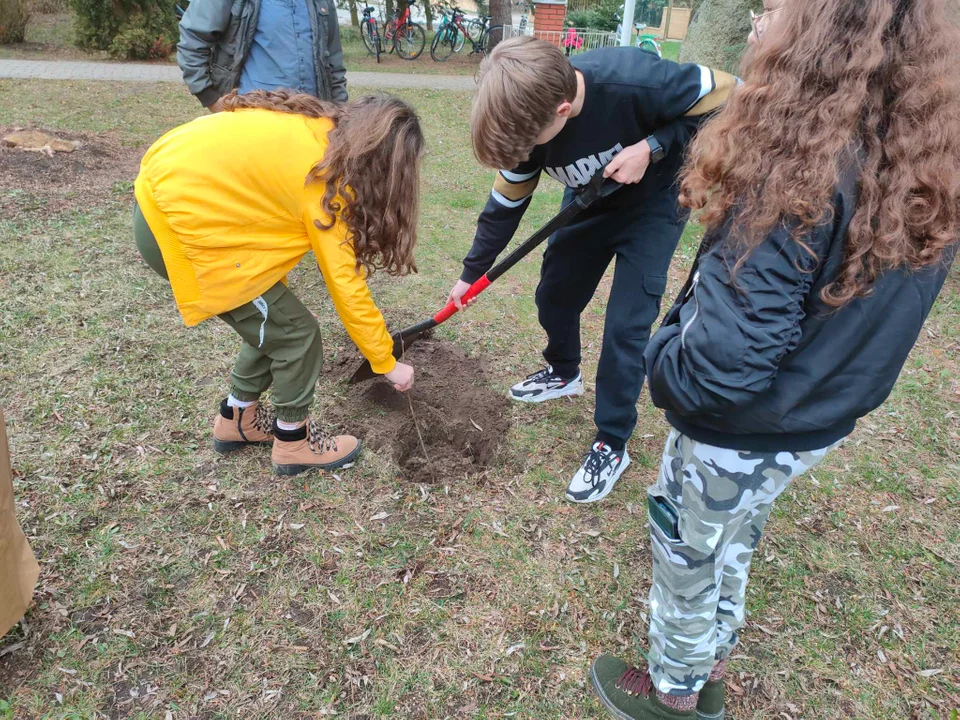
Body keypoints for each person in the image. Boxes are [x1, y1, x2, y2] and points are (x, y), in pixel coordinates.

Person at [588, 0, 960, 717]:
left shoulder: (795, 166)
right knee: (735, 528)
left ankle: (676, 692)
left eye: (779, 6)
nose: (761, 16)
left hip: (739, 427)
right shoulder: (922, 156)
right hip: (815, 422)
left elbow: (721, 369)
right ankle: (719, 640)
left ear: (822, 35)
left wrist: (660, 356)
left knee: (686, 549)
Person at [448, 36, 737, 504]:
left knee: (626, 326)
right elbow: (506, 203)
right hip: (589, 202)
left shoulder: (635, 80)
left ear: (562, 111)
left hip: (653, 208)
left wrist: (655, 145)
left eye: (531, 144)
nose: (526, 155)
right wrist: (472, 272)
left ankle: (612, 441)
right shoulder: (524, 117)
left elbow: (731, 99)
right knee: (555, 294)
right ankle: (563, 371)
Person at [133, 91, 421, 475]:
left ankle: (237, 420)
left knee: (275, 324)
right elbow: (345, 285)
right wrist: (386, 362)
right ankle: (293, 443)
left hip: (161, 195)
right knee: (298, 336)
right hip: (180, 227)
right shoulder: (329, 182)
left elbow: (256, 206)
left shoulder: (319, 133)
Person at [177, 0, 347, 112]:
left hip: (312, 123)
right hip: (250, 120)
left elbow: (333, 64)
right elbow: (193, 39)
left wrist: (340, 112)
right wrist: (211, 99)